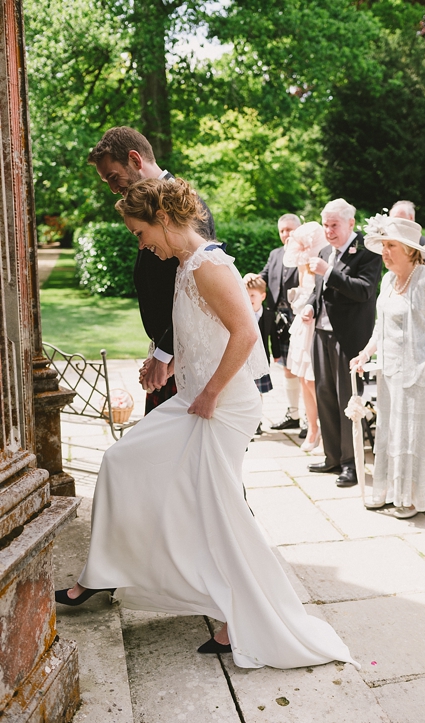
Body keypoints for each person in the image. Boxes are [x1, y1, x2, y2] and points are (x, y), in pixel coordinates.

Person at [54, 177, 357, 671]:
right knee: (122, 461)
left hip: (222, 404)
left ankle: (246, 617)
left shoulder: (209, 266)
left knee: (219, 511)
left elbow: (244, 333)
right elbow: (202, 333)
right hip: (195, 395)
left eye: (139, 232)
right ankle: (109, 570)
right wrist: (168, 364)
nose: (140, 243)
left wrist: (212, 392)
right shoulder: (184, 263)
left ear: (164, 220)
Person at [88, 127, 215, 414]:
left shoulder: (186, 207)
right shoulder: (148, 203)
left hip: (188, 356)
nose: (112, 188)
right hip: (169, 349)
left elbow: (194, 292)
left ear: (135, 159)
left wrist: (165, 354)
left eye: (112, 176)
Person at [350, 215, 425, 518]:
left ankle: (412, 498)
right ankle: (388, 491)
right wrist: (365, 354)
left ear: (410, 250)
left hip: (421, 376)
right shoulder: (389, 280)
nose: (385, 252)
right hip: (391, 373)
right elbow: (381, 326)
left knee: (412, 438)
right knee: (391, 434)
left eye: (391, 246)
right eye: (384, 246)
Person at [304, 199, 382, 487]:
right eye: (325, 225)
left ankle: (352, 464)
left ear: (350, 222)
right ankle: (332, 457)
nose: (328, 230)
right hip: (321, 334)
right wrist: (311, 306)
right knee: (323, 394)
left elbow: (364, 291)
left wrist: (329, 272)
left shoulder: (367, 251)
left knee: (347, 400)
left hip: (349, 337)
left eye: (334, 225)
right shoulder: (326, 251)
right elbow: (319, 291)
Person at [283, 222, 328, 454]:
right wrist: (299, 303)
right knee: (302, 378)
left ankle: (324, 430)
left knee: (313, 381)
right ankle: (312, 429)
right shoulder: (302, 267)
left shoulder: (324, 262)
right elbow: (302, 292)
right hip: (302, 324)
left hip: (316, 325)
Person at [259, 214, 302, 430]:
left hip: (301, 317)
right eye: (283, 230)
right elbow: (263, 277)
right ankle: (293, 414)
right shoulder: (275, 254)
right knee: (287, 367)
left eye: (290, 230)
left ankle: (307, 419)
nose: (286, 234)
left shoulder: (306, 254)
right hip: (280, 320)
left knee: (304, 368)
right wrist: (248, 279)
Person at [244, 275, 273, 434]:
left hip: (261, 360)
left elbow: (272, 336)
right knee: (246, 390)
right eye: (246, 295)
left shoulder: (268, 314)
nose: (249, 299)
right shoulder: (242, 313)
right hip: (245, 360)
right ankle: (248, 420)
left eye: (253, 295)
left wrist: (276, 354)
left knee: (258, 393)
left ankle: (257, 421)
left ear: (262, 296)